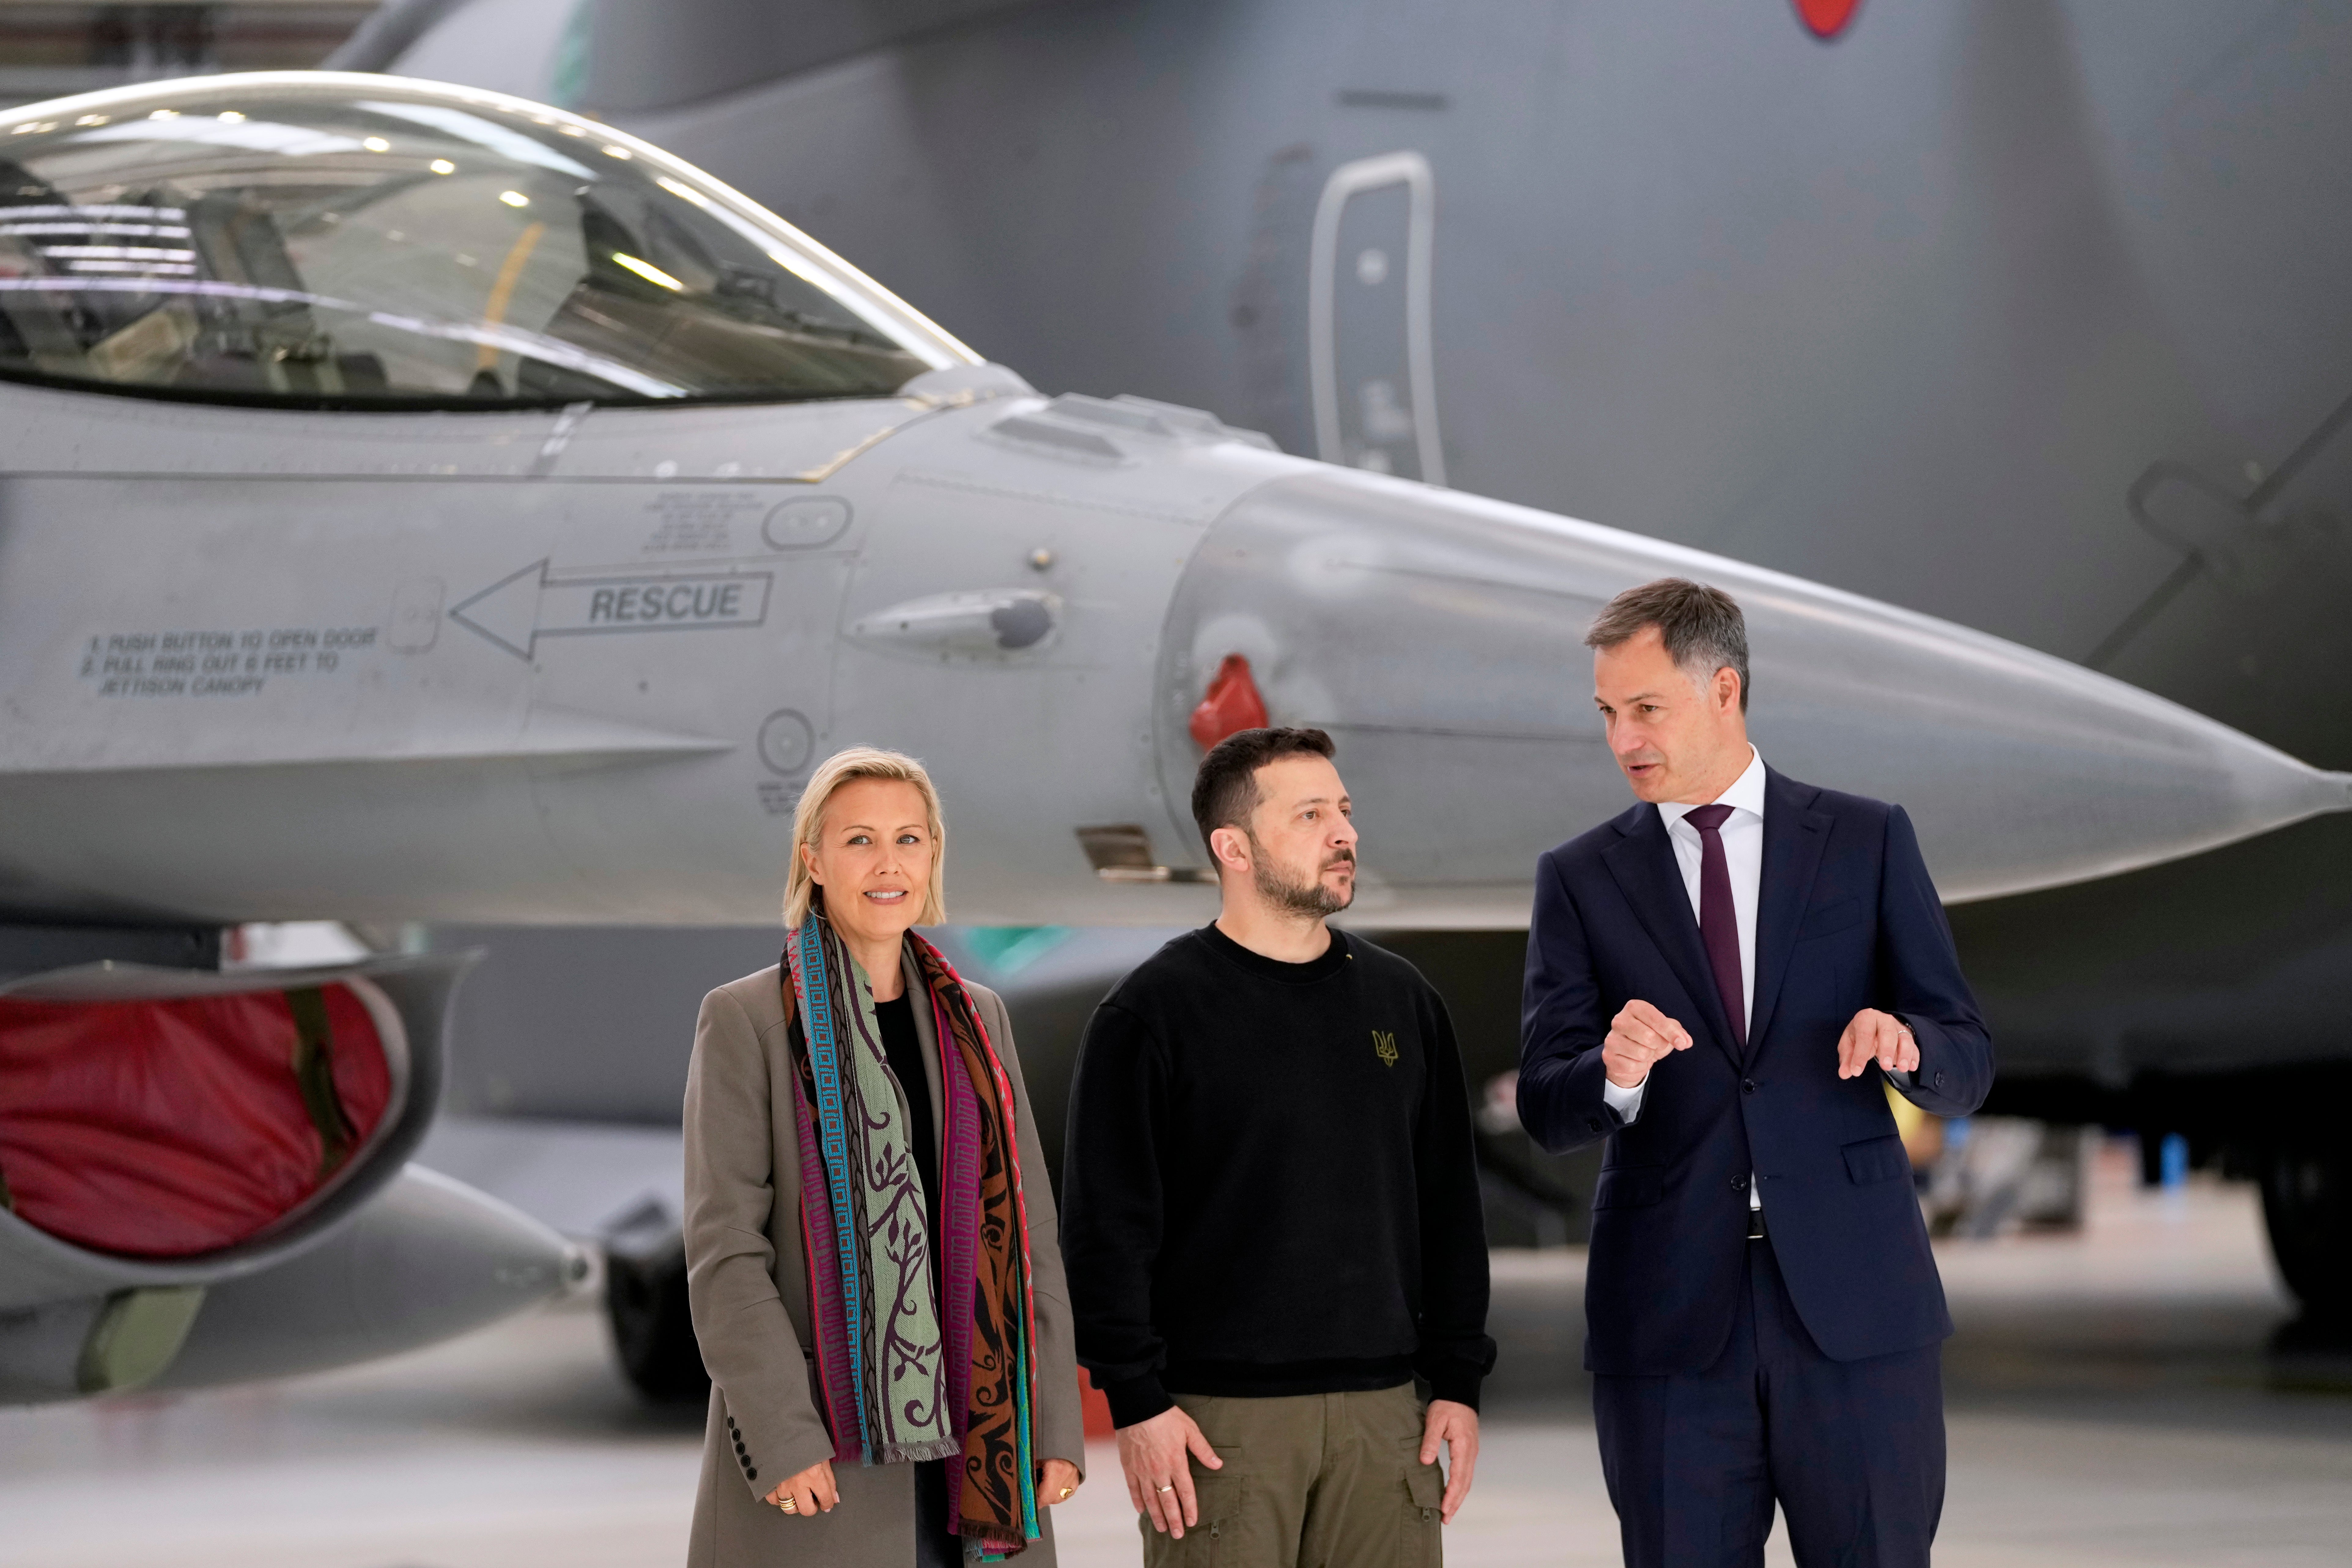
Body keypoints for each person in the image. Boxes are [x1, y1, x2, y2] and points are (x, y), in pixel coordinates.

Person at [1517, 579, 1993, 1568]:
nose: (1623, 738)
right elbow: (1544, 1100)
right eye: (1608, 713)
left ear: (1723, 689)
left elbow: (1966, 1050)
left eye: (1646, 708)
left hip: (1856, 1310)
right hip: (1668, 1318)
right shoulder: (1579, 875)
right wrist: (1611, 1072)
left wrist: (1908, 1045)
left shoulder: (1865, 839)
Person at [1061, 726, 1496, 1568]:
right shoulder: (1149, 1015)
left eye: (1344, 809)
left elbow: (1450, 1208)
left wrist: (1458, 1381)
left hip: (1385, 1422)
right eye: (1310, 814)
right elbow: (1104, 1232)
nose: (1345, 832)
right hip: (1221, 1427)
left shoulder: (1404, 1001)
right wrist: (1138, 1402)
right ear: (1234, 846)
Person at [681, 746, 1085, 1567]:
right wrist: (780, 1431)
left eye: (909, 838)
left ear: (934, 855)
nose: (888, 862)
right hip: (825, 1448)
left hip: (980, 1452)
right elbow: (726, 1251)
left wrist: (1054, 1425)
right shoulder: (747, 1021)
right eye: (860, 839)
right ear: (815, 860)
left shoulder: (980, 1018)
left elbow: (1032, 1235)